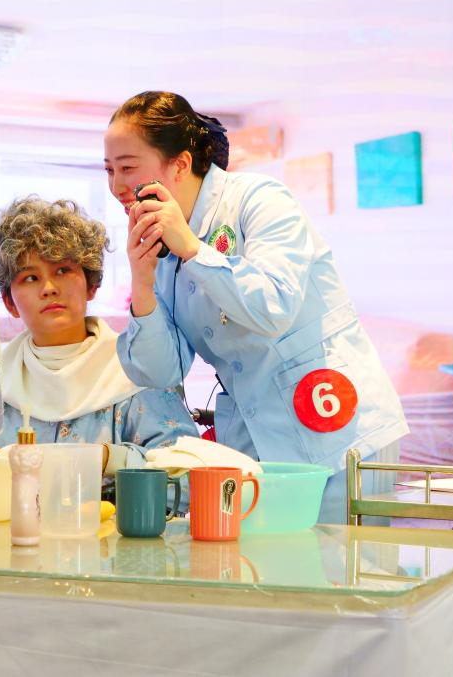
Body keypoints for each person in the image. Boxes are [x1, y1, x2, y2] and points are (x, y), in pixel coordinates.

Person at [104, 91, 408, 523]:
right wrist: (142, 280)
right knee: (261, 562)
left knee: (349, 561)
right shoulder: (163, 250)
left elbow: (273, 306)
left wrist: (193, 250)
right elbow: (160, 372)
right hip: (254, 440)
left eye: (128, 167)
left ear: (180, 164)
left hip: (337, 432)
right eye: (109, 169)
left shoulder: (259, 199)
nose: (117, 185)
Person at [0, 196, 197, 482]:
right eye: (30, 278)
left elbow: (189, 477)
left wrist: (109, 459)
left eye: (63, 270)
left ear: (91, 284)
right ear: (9, 302)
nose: (49, 288)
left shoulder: (138, 373)